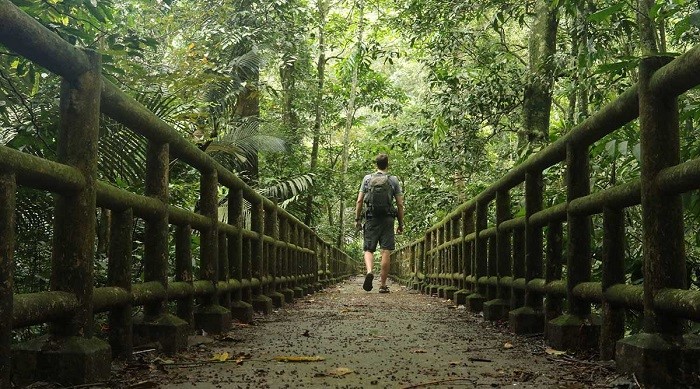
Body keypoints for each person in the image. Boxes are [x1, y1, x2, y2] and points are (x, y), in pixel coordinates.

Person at [354, 153, 405, 293]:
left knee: (368, 249)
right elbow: (400, 204)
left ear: (376, 165)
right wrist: (400, 224)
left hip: (371, 217)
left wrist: (357, 219)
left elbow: (359, 201)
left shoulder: (367, 179)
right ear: (387, 165)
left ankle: (370, 271)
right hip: (388, 218)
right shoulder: (393, 180)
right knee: (386, 250)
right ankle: (382, 285)